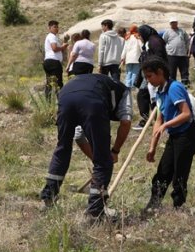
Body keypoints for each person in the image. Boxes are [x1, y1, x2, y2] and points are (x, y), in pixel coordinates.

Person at [40, 71, 134, 216]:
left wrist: (96, 159)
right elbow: (126, 122)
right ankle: (96, 209)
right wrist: (113, 152)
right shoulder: (125, 91)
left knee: (63, 148)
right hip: (92, 100)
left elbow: (78, 135)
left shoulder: (98, 84)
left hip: (65, 95)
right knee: (104, 159)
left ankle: (48, 198)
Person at [141, 57, 195, 214]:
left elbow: (186, 114)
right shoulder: (160, 91)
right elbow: (159, 120)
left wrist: (167, 125)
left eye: (149, 76)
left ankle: (178, 207)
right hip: (175, 135)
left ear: (160, 72)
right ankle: (154, 205)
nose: (148, 80)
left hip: (187, 134)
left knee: (180, 172)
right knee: (163, 171)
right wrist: (152, 147)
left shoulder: (174, 88)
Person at [163, 18, 191, 84]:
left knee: (184, 71)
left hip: (182, 55)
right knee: (172, 72)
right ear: (170, 24)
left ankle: (185, 85)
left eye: (175, 22)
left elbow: (187, 41)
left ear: (177, 23)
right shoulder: (167, 32)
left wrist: (186, 50)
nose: (174, 24)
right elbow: (163, 42)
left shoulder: (182, 31)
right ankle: (173, 86)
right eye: (172, 22)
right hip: (171, 55)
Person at [43, 21, 66, 93]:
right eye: (54, 27)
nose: (56, 28)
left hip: (48, 61)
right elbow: (55, 48)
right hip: (54, 62)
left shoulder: (52, 37)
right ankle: (61, 101)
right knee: (58, 83)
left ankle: (48, 103)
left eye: (57, 27)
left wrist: (62, 47)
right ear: (49, 28)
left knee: (49, 83)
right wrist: (63, 47)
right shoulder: (52, 36)